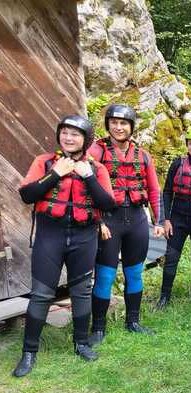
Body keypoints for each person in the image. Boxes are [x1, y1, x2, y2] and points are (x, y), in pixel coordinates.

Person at [12, 116, 116, 377]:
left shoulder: (97, 168)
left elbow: (108, 203)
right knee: (42, 294)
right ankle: (29, 352)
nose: (68, 138)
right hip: (50, 235)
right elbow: (27, 195)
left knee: (81, 291)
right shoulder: (44, 162)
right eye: (65, 133)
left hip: (84, 236)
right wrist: (55, 173)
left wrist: (89, 176)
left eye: (75, 134)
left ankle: (81, 343)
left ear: (86, 140)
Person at [88, 104, 165, 346]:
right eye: (114, 122)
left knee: (134, 272)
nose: (118, 127)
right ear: (108, 124)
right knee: (105, 275)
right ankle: (98, 327)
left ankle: (132, 322)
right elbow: (86, 189)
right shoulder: (96, 151)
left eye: (124, 123)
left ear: (131, 127)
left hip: (137, 219)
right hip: (109, 220)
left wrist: (159, 220)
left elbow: (153, 189)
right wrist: (98, 220)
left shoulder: (143, 155)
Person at [156, 125, 191, 310]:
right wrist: (165, 219)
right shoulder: (177, 164)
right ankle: (165, 296)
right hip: (177, 219)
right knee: (171, 257)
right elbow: (166, 192)